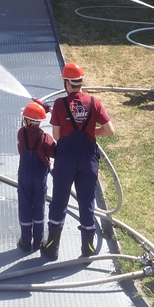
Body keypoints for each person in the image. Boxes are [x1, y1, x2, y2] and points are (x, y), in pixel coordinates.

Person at [42, 63, 115, 260]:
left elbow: (57, 136)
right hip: (88, 160)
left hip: (65, 159)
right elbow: (110, 130)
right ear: (81, 82)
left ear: (66, 82)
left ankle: (52, 248)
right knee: (86, 202)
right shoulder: (94, 102)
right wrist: (91, 130)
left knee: (59, 202)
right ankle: (87, 249)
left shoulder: (59, 104)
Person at [16, 101, 55, 252]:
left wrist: (38, 111)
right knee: (39, 205)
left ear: (28, 121)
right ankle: (38, 239)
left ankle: (25, 240)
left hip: (25, 174)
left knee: (24, 205)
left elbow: (23, 139)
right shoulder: (45, 137)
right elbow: (52, 152)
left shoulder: (21, 133)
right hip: (39, 176)